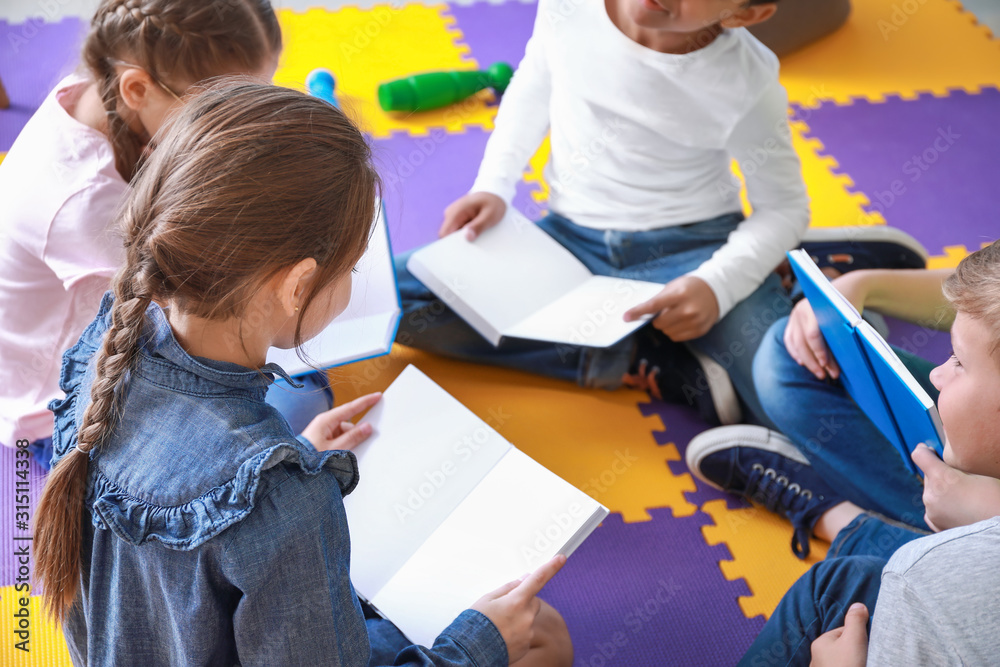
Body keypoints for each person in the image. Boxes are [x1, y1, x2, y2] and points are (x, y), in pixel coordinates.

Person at [32, 81, 573, 667]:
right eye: (351, 266)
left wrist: (291, 452)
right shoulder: (281, 501)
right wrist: (478, 646)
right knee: (540, 637)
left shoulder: (104, 345)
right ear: (296, 285)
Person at [392, 0, 857, 427]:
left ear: (743, 14)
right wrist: (493, 185)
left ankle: (812, 278)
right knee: (391, 300)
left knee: (800, 395)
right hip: (567, 243)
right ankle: (638, 355)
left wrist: (717, 286)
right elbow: (533, 85)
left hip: (696, 251)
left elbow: (785, 206)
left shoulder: (747, 78)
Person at [0, 0, 340, 472]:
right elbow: (183, 330)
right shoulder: (86, 208)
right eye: (218, 105)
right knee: (301, 397)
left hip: (116, 332)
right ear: (138, 88)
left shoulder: (100, 94)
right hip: (60, 414)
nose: (241, 122)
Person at [685, 240, 1000, 665]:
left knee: (834, 588)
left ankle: (842, 518)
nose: (940, 373)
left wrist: (982, 524)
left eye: (958, 362)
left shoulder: (918, 583)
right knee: (793, 350)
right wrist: (860, 285)